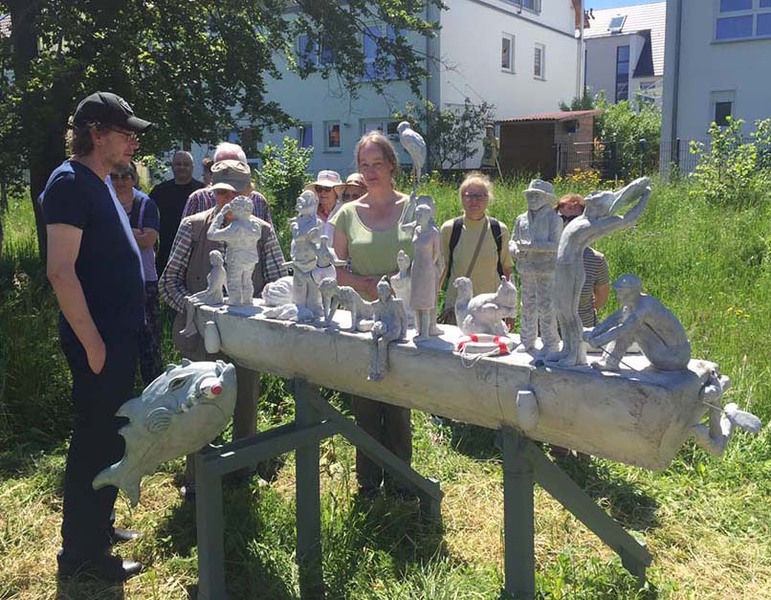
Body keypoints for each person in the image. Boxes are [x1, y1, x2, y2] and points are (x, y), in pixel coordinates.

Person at [41, 91, 151, 582]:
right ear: (96, 133)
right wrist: (92, 343)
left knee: (110, 438)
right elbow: (60, 271)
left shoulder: (100, 181)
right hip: (98, 343)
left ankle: (98, 526)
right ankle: (81, 556)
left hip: (117, 338)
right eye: (126, 133)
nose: (133, 142)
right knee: (93, 441)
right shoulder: (69, 183)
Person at [159, 160, 286, 499]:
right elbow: (168, 283)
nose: (228, 200)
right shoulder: (193, 226)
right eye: (221, 192)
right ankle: (198, 481)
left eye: (236, 192)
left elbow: (278, 282)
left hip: (247, 335)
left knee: (246, 403)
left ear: (250, 192)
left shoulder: (262, 230)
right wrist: (196, 308)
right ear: (211, 191)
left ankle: (243, 476)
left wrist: (265, 311)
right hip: (201, 336)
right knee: (200, 406)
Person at [330, 130, 414, 497]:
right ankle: (368, 483)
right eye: (363, 165)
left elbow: (432, 263)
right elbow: (334, 270)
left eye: (377, 163)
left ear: (392, 165)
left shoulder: (413, 207)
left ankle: (402, 482)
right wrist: (364, 283)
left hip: (404, 318)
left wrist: (399, 284)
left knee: (398, 405)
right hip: (363, 318)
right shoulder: (347, 214)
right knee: (364, 403)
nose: (370, 172)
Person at [547, 178, 650, 367]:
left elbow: (628, 219)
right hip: (563, 268)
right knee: (561, 310)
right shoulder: (581, 221)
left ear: (601, 207)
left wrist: (645, 196)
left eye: (598, 196)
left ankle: (575, 354)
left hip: (572, 269)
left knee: (570, 312)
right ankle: (566, 350)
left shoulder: (592, 225)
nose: (592, 194)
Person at [177, 142, 286, 281]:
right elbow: (175, 273)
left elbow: (277, 275)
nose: (230, 197)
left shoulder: (259, 203)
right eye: (222, 191)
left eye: (237, 190)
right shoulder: (197, 201)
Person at [110, 161, 163, 387]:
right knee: (120, 339)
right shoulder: (105, 201)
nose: (120, 181)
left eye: (125, 176)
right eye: (115, 177)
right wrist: (133, 233)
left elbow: (149, 240)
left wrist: (117, 234)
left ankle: (155, 391)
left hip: (144, 280)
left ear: (133, 178)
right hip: (113, 282)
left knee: (149, 339)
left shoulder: (145, 204)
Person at [439, 172, 512, 325]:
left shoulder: (499, 229)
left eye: (480, 196)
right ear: (461, 198)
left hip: (490, 309)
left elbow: (506, 269)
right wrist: (430, 301)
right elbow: (441, 268)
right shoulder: (450, 229)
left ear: (488, 199)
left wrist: (509, 308)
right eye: (469, 196)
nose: (474, 201)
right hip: (458, 309)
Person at [584, 274, 691, 371]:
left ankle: (611, 363)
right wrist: (593, 333)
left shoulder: (645, 307)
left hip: (674, 358)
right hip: (670, 353)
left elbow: (624, 329)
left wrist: (599, 341)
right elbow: (613, 319)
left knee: (632, 328)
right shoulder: (635, 303)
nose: (617, 296)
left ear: (632, 292)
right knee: (627, 321)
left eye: (621, 292)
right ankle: (609, 362)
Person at [510, 179, 562, 355]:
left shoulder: (554, 219)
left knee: (547, 306)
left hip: (545, 269)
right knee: (527, 305)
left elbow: (557, 245)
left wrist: (532, 246)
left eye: (537, 196)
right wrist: (514, 248)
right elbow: (513, 239)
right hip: (526, 268)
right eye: (530, 195)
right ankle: (527, 340)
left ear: (547, 199)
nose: (532, 199)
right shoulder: (521, 219)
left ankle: (550, 343)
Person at [556, 193, 610, 328]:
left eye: (573, 219)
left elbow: (601, 297)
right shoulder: (543, 255)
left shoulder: (596, 259)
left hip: (582, 329)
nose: (566, 223)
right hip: (545, 332)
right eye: (561, 218)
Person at [150, 150, 204, 274]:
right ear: (172, 166)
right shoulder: (160, 191)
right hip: (166, 252)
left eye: (186, 164)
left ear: (192, 167)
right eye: (178, 164)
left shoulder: (202, 191)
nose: (182, 167)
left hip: (195, 253)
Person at [304, 169, 342, 240]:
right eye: (319, 189)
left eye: (327, 189)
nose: (323, 192)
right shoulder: (309, 213)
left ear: (336, 191)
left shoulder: (343, 212)